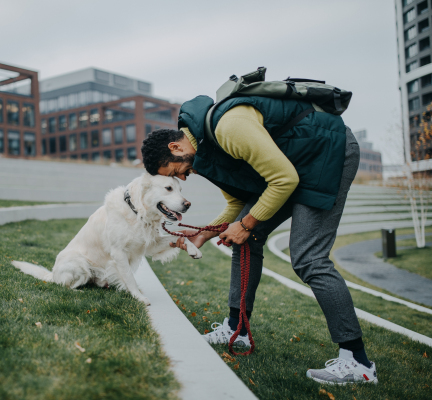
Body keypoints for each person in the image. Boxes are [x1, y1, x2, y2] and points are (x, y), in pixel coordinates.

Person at [140, 94, 378, 385]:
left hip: (327, 151)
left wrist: (247, 223)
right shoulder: (205, 151)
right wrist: (204, 233)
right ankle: (236, 329)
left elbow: (284, 180)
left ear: (175, 147)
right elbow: (234, 207)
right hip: (297, 163)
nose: (184, 178)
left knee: (308, 258)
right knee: (245, 239)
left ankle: (358, 361)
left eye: (176, 171)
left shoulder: (230, 128)